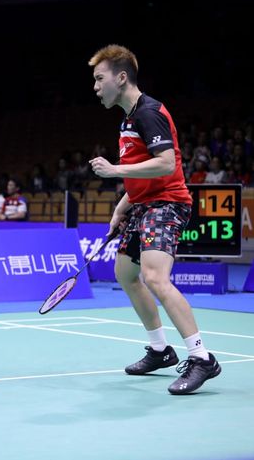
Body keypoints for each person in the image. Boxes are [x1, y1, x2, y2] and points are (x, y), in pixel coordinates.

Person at [88, 45, 221, 395]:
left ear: (121, 77)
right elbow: (144, 174)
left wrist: (115, 170)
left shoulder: (149, 112)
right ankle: (161, 350)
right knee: (125, 274)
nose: (96, 86)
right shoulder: (128, 119)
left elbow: (166, 165)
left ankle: (201, 357)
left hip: (167, 204)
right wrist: (121, 206)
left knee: (154, 277)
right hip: (144, 205)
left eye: (100, 79)